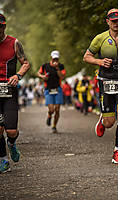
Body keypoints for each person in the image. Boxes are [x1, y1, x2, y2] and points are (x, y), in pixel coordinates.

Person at [83, 8, 118, 164]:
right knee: (109, 123)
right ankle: (103, 120)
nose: (116, 23)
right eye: (113, 21)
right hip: (105, 80)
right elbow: (86, 57)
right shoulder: (99, 39)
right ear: (107, 21)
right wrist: (99, 61)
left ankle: (117, 151)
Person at [0, 14, 30, 173]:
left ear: (4, 27)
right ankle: (3, 160)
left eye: (0, 27)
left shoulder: (14, 43)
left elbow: (26, 63)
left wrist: (17, 75)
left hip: (9, 90)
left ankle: (11, 143)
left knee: (11, 130)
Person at [37, 50, 66, 133]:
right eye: (54, 59)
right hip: (48, 89)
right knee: (52, 109)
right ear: (51, 58)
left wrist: (57, 69)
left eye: (57, 59)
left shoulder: (61, 66)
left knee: (57, 109)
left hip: (58, 89)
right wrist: (42, 77)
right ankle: (49, 115)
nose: (55, 61)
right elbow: (38, 73)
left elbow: (62, 77)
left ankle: (54, 126)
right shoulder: (45, 65)